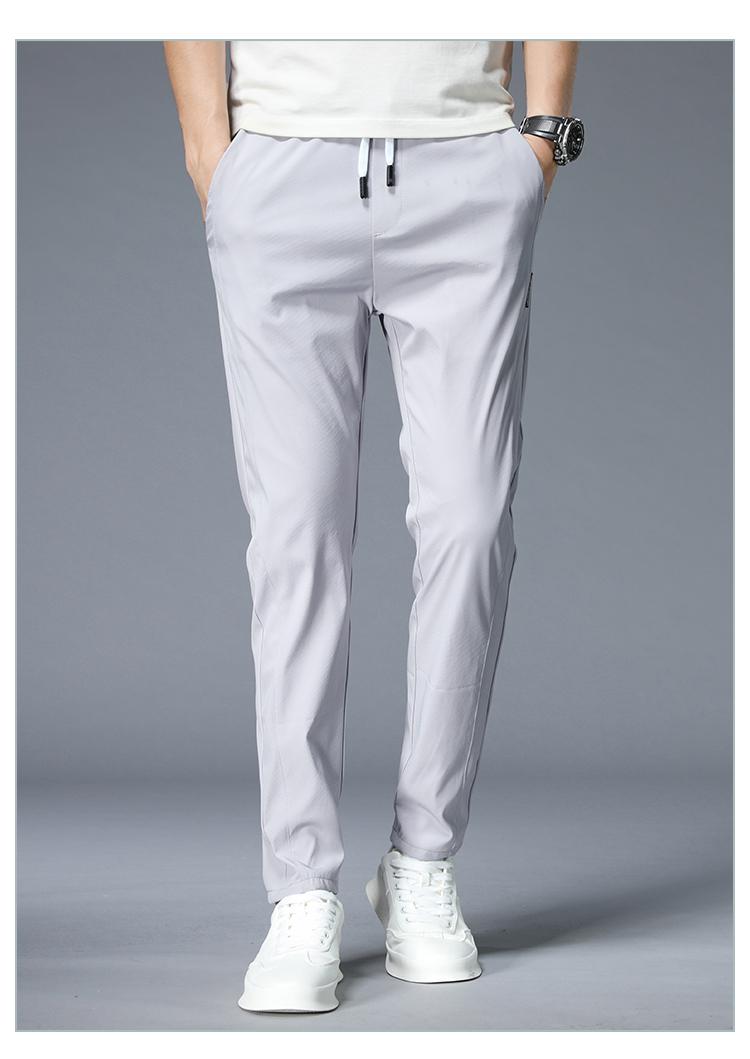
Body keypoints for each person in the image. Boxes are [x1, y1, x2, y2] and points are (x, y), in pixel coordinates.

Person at [164, 38, 582, 1013]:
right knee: (296, 535)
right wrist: (211, 155)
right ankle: (300, 887)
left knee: (472, 519)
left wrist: (542, 139)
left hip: (466, 164)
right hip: (281, 167)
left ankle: (423, 862)